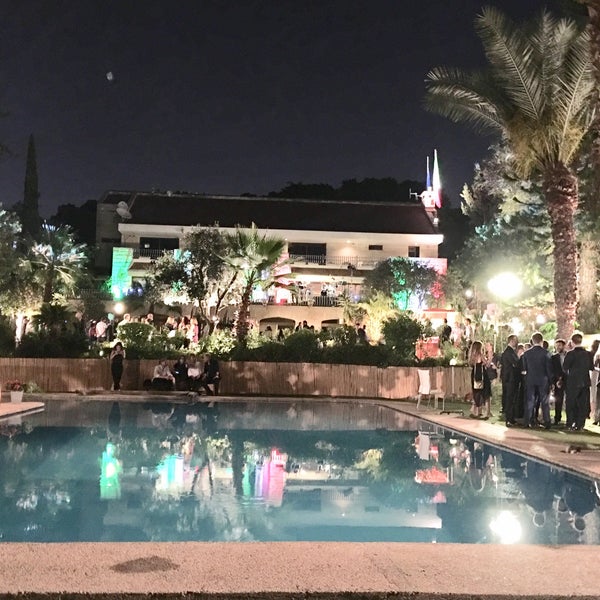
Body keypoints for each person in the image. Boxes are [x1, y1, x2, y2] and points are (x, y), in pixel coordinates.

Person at [521, 332, 553, 429]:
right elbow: (549, 369)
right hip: (543, 380)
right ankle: (547, 421)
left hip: (530, 379)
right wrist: (551, 381)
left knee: (530, 401)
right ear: (541, 341)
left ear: (532, 341)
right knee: (544, 402)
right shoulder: (546, 353)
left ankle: (527, 421)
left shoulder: (526, 353)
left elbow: (524, 369)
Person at [563, 332, 593, 431]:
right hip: (585, 381)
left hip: (573, 381)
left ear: (572, 342)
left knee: (571, 403)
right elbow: (591, 367)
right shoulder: (588, 354)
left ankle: (570, 423)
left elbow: (565, 367)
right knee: (582, 404)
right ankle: (580, 424)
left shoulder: (570, 354)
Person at [468, 340, 491, 419]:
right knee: (486, 393)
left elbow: (471, 365)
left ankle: (478, 412)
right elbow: (487, 364)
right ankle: (487, 412)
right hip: (482, 375)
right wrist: (490, 357)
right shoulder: (480, 355)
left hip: (475, 375)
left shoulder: (472, 356)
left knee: (477, 393)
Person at [500, 334, 520, 426]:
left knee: (511, 398)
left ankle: (511, 418)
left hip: (509, 378)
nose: (517, 342)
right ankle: (509, 418)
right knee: (510, 398)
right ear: (511, 341)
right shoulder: (509, 352)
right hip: (510, 379)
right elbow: (515, 363)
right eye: (515, 340)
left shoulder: (509, 352)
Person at [551, 339, 567, 425]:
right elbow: (552, 369)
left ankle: (570, 419)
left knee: (569, 400)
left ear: (563, 346)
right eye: (556, 345)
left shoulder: (568, 355)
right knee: (558, 400)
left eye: (559, 345)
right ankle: (557, 418)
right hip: (558, 381)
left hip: (568, 380)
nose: (557, 347)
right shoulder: (553, 357)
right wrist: (557, 379)